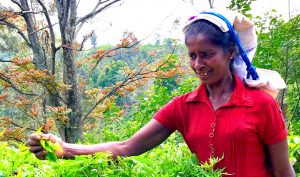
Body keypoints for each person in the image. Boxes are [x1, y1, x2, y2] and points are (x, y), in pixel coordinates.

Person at [28, 9, 296, 177]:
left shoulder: (260, 104)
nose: (198, 64)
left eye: (207, 54)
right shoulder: (184, 107)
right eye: (192, 55)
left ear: (231, 51)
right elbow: (127, 147)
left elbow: (283, 171)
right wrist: (65, 149)